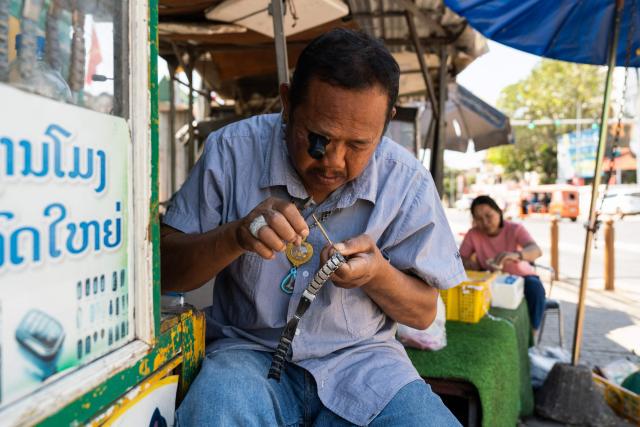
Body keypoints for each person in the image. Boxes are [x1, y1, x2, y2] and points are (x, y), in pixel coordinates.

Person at [161, 28, 465, 426]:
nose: (333, 162)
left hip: (364, 361)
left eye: (358, 145)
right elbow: (167, 270)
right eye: (318, 139)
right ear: (287, 103)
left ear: (386, 122)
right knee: (215, 412)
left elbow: (424, 314)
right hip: (248, 356)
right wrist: (235, 236)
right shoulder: (231, 151)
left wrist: (378, 275)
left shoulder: (405, 181)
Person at [459, 195, 546, 330]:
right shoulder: (473, 234)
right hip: (490, 278)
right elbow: (460, 259)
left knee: (535, 288)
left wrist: (516, 255)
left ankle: (533, 331)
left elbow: (536, 250)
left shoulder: (515, 229)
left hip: (521, 278)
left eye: (489, 216)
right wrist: (469, 263)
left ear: (499, 212)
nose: (485, 222)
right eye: (479, 219)